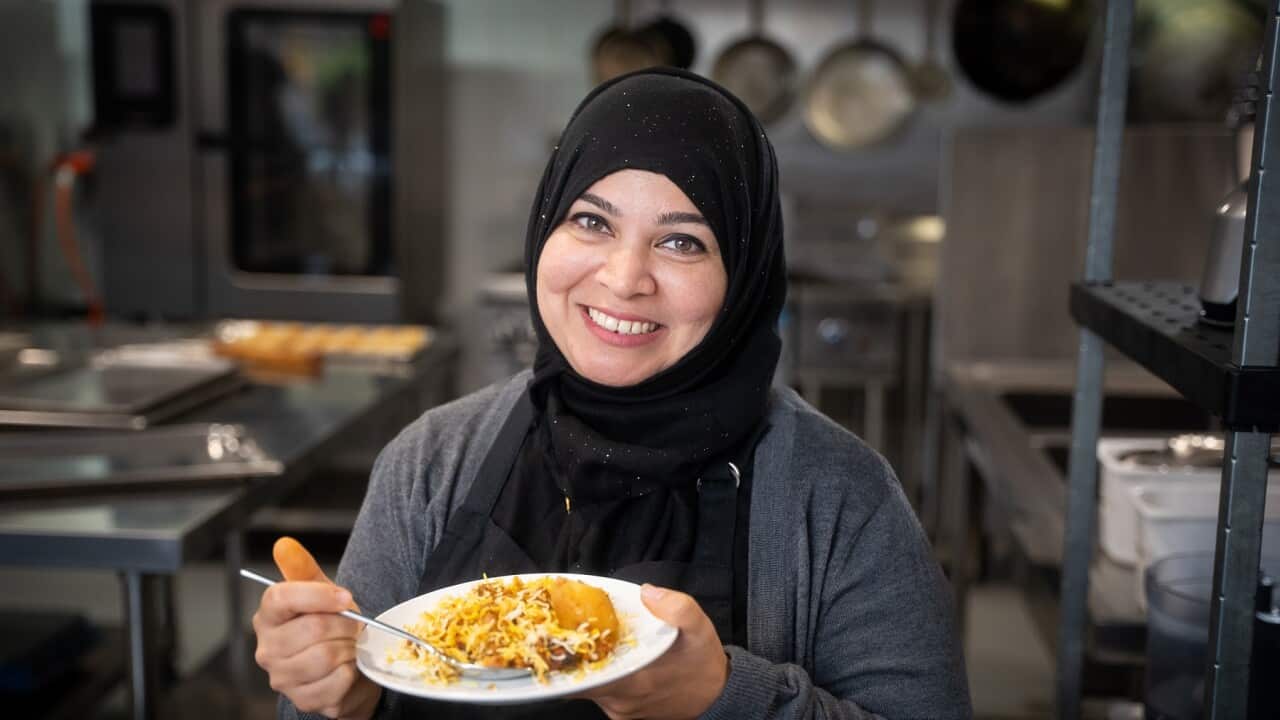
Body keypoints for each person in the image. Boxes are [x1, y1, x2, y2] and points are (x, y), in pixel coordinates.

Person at [252, 68, 971, 720]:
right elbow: (329, 695)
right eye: (591, 221)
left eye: (682, 242)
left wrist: (725, 698)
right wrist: (333, 698)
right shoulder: (431, 461)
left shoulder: (839, 495)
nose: (625, 278)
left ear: (745, 276)